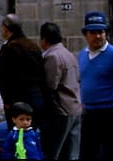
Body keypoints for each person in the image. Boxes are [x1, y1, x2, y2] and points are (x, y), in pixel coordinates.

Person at [76, 10, 113, 161]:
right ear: (86, 34)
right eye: (93, 32)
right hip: (89, 112)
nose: (98, 36)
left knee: (110, 153)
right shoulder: (82, 55)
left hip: (109, 113)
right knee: (87, 153)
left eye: (101, 32)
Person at [37, 22, 81, 160]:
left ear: (44, 39)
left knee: (54, 152)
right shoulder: (68, 54)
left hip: (61, 110)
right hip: (74, 107)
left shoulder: (53, 56)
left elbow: (50, 85)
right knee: (71, 152)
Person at [0, 14, 46, 125]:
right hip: (36, 99)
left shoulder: (10, 48)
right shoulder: (33, 46)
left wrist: (7, 100)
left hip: (17, 102)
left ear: (6, 29)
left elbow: (4, 76)